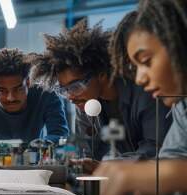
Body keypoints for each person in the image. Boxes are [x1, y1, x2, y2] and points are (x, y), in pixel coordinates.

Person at [30, 20, 172, 173]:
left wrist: (106, 166)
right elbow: (88, 153)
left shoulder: (147, 94)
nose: (70, 97)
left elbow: (155, 151)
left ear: (102, 74)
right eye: (64, 90)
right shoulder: (85, 105)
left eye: (75, 86)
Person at [94, 0, 187, 195]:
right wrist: (148, 186)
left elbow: (169, 170)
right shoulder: (183, 107)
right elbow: (171, 161)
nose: (139, 79)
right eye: (135, 67)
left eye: (146, 61)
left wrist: (168, 176)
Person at [0, 48, 68, 143]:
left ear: (28, 82)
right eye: (2, 90)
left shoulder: (46, 95)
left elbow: (60, 134)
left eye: (18, 89)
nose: (11, 98)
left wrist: (40, 145)